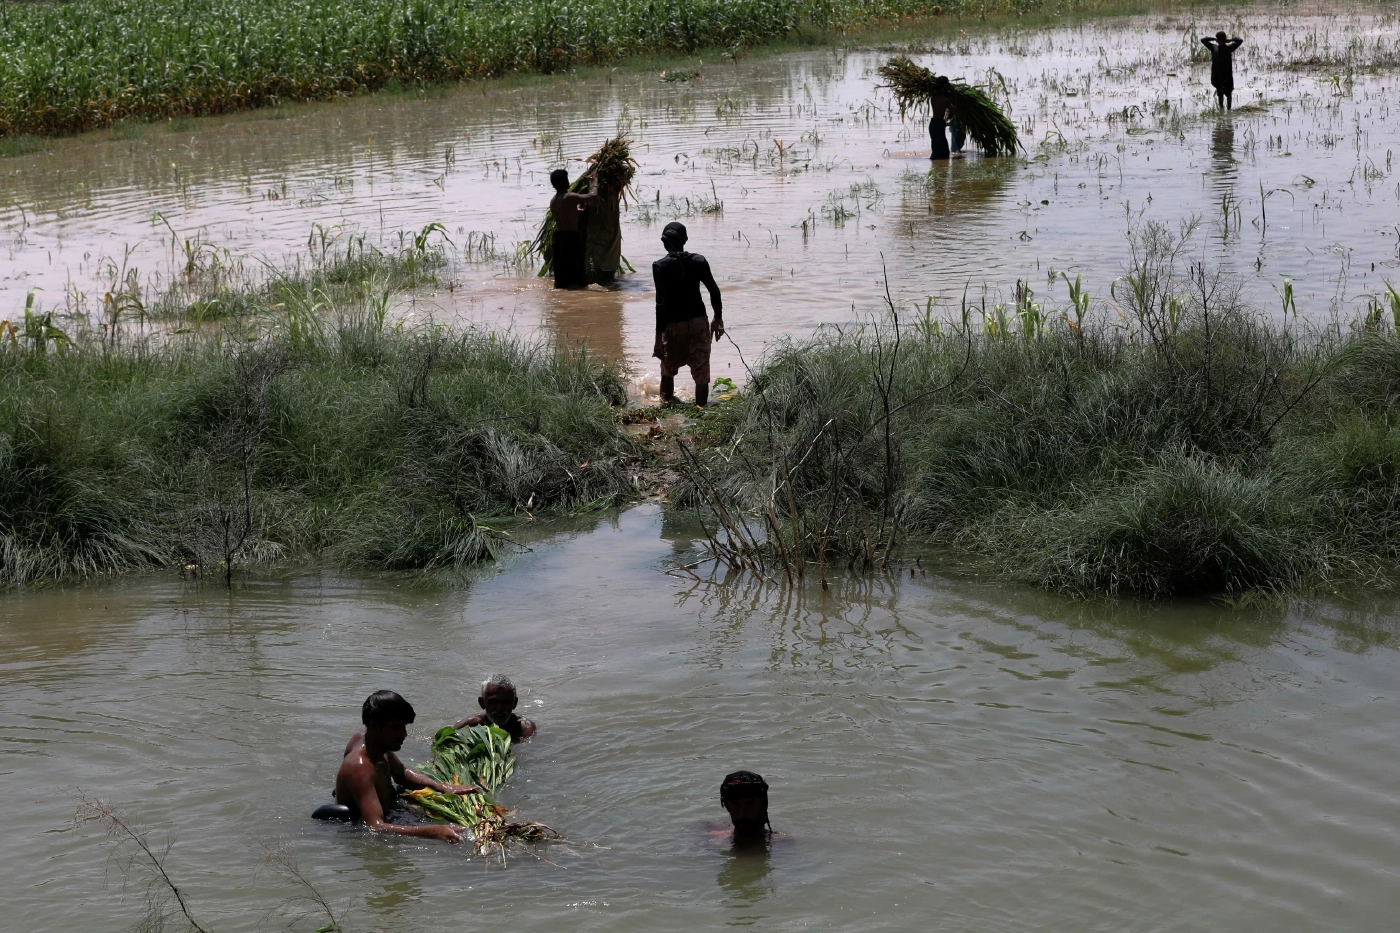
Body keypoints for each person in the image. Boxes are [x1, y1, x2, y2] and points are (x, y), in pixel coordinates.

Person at [330, 690, 481, 842]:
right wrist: (433, 832)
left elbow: (401, 774)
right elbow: (375, 826)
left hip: (390, 811)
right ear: (374, 725)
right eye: (396, 727)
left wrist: (442, 787)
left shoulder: (374, 743)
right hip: (366, 835)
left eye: (404, 726)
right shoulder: (360, 767)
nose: (404, 734)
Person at [652, 222, 723, 407]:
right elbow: (714, 291)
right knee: (701, 373)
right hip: (698, 322)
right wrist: (718, 318)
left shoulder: (660, 266)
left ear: (664, 242)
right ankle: (701, 410)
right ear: (685, 240)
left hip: (673, 326)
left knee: (668, 370)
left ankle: (665, 409)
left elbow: (661, 304)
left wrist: (658, 338)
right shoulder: (699, 261)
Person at [550, 168, 598, 289]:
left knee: (563, 276)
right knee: (578, 273)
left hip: (559, 239)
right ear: (564, 182)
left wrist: (577, 211)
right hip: (571, 238)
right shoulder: (569, 197)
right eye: (567, 180)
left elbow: (565, 214)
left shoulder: (553, 201)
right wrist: (595, 180)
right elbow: (593, 195)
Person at [453, 673, 537, 742]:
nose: (500, 708)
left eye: (506, 702)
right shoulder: (470, 725)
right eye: (493, 702)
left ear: (514, 703)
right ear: (482, 703)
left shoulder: (525, 729)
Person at [717, 770, 773, 847]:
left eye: (750, 804)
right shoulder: (714, 841)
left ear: (762, 805)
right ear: (727, 806)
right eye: (735, 804)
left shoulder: (782, 844)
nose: (743, 813)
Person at [585, 178, 624, 285]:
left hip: (605, 236)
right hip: (602, 237)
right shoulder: (604, 191)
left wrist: (594, 179)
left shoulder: (609, 191)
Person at [1201, 31, 1244, 111]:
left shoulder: (1229, 48)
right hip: (1217, 75)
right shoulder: (1214, 47)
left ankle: (1229, 110)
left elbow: (1240, 40)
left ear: (1225, 39)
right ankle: (1221, 110)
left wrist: (1230, 40)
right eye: (1219, 39)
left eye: (1222, 39)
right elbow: (1203, 40)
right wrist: (1213, 39)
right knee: (1220, 93)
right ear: (1217, 40)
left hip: (1227, 75)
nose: (1220, 41)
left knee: (1228, 94)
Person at [928, 75, 954, 161]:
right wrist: (956, 97)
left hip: (933, 123)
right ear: (944, 86)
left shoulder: (933, 97)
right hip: (938, 124)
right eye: (947, 84)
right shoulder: (944, 99)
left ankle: (938, 168)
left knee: (937, 148)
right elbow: (953, 110)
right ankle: (938, 168)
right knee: (940, 151)